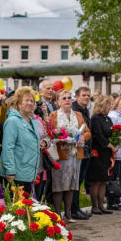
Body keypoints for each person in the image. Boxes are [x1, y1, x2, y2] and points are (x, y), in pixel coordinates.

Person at [48, 90, 91, 222]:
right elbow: (49, 133)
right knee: (59, 185)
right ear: (58, 102)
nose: (67, 100)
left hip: (75, 154)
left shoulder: (77, 115)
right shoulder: (53, 115)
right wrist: (61, 138)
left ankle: (68, 213)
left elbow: (88, 132)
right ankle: (58, 214)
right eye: (64, 98)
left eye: (69, 98)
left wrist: (83, 137)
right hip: (61, 154)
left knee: (72, 184)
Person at [0, 86, 40, 193]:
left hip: (27, 173)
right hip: (15, 175)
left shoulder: (32, 121)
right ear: (19, 103)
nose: (30, 103)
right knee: (15, 207)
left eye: (32, 101)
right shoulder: (13, 121)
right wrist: (10, 171)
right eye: (26, 100)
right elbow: (8, 147)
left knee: (26, 207)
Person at [86, 96, 118, 214]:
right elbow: (99, 135)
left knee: (104, 180)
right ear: (102, 105)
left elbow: (112, 133)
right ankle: (94, 206)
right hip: (98, 152)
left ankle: (101, 205)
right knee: (96, 180)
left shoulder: (108, 119)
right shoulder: (95, 118)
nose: (110, 107)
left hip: (107, 153)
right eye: (108, 104)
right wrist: (110, 145)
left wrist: (116, 144)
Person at [70, 86, 93, 220]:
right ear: (77, 97)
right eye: (83, 95)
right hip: (76, 150)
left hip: (86, 149)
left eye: (88, 95)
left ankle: (76, 207)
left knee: (80, 181)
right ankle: (73, 209)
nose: (86, 97)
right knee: (75, 181)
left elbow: (88, 131)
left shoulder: (85, 110)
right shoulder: (74, 110)